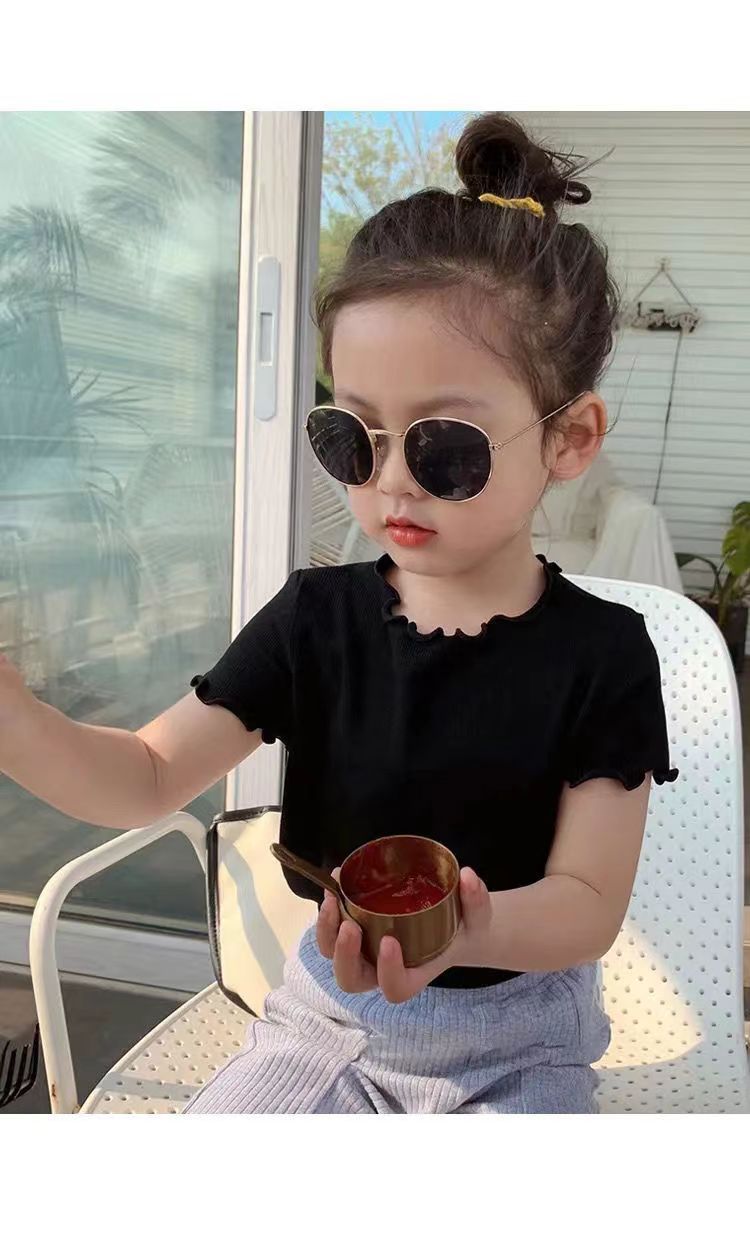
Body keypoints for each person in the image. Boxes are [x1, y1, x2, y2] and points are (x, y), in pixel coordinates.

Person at [0, 111, 678, 1115]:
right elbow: (145, 775)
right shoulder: (314, 622)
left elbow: (587, 905)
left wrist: (465, 931)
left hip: (523, 1040)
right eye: (351, 437)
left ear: (570, 438)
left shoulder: (604, 653)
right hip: (328, 1020)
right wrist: (14, 716)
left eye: (444, 446)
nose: (390, 480)